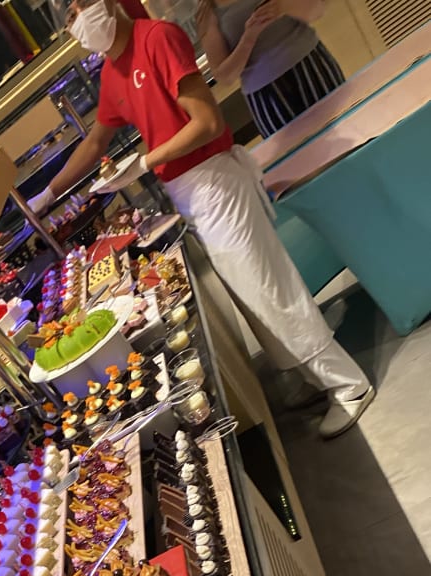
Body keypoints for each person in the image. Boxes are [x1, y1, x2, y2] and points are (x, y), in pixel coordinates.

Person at [31, 0, 372, 437]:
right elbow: (95, 141)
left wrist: (144, 161)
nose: (77, 18)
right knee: (252, 298)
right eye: (69, 15)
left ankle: (348, 386)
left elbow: (207, 122)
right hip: (187, 192)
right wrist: (47, 194)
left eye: (81, 5)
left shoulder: (157, 38)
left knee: (269, 289)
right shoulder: (112, 74)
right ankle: (313, 376)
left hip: (215, 179)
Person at [196, 0, 345, 137]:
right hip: (267, 97)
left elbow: (317, 9)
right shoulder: (208, 9)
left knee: (345, 128)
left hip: (312, 67)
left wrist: (283, 6)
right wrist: (249, 38)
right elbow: (224, 76)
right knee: (298, 154)